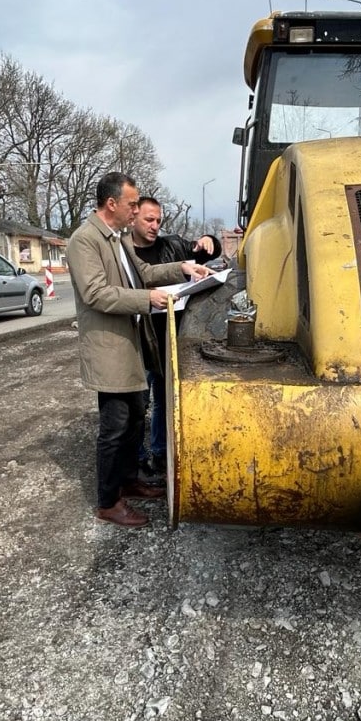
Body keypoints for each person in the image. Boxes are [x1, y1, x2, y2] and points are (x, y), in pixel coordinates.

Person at [68, 172, 211, 528]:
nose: (136, 211)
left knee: (135, 419)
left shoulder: (118, 239)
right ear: (112, 203)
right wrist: (147, 300)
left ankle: (129, 480)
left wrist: (181, 267)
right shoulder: (84, 240)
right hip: (109, 348)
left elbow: (144, 271)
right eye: (133, 204)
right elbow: (96, 293)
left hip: (129, 345)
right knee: (115, 426)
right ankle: (108, 501)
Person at [130, 195, 221, 477]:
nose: (155, 225)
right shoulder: (124, 254)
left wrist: (209, 240)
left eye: (158, 220)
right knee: (136, 403)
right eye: (149, 219)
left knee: (164, 398)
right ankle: (136, 459)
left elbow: (206, 253)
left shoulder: (173, 245)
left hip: (168, 335)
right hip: (137, 338)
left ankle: (159, 453)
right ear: (132, 218)